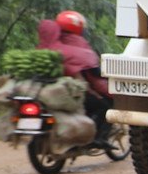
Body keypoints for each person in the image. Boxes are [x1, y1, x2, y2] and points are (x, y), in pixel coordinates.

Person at [40, 11, 113, 147]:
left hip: (50, 88)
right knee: (104, 107)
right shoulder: (78, 46)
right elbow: (93, 71)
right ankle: (97, 138)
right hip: (72, 90)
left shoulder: (49, 44)